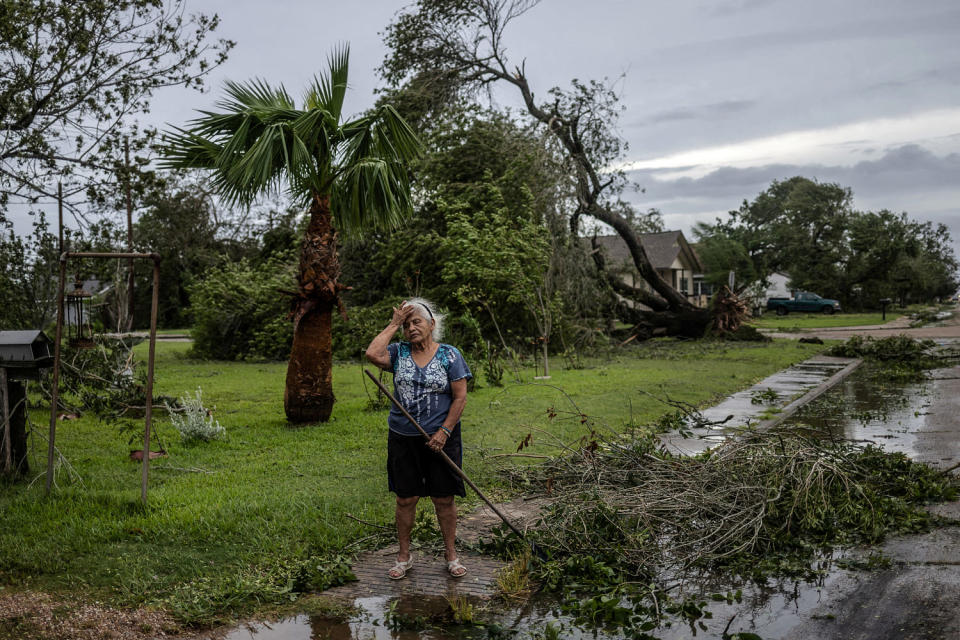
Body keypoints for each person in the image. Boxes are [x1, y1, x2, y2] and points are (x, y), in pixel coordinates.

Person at [365, 298, 472, 580]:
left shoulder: (450, 355)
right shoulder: (398, 353)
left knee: (444, 498)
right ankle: (404, 557)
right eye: (407, 324)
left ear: (432, 324)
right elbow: (372, 354)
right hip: (404, 436)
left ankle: (451, 554)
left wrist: (444, 431)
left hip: (442, 437)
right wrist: (394, 323)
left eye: (417, 322)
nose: (412, 328)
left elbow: (460, 397)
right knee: (405, 498)